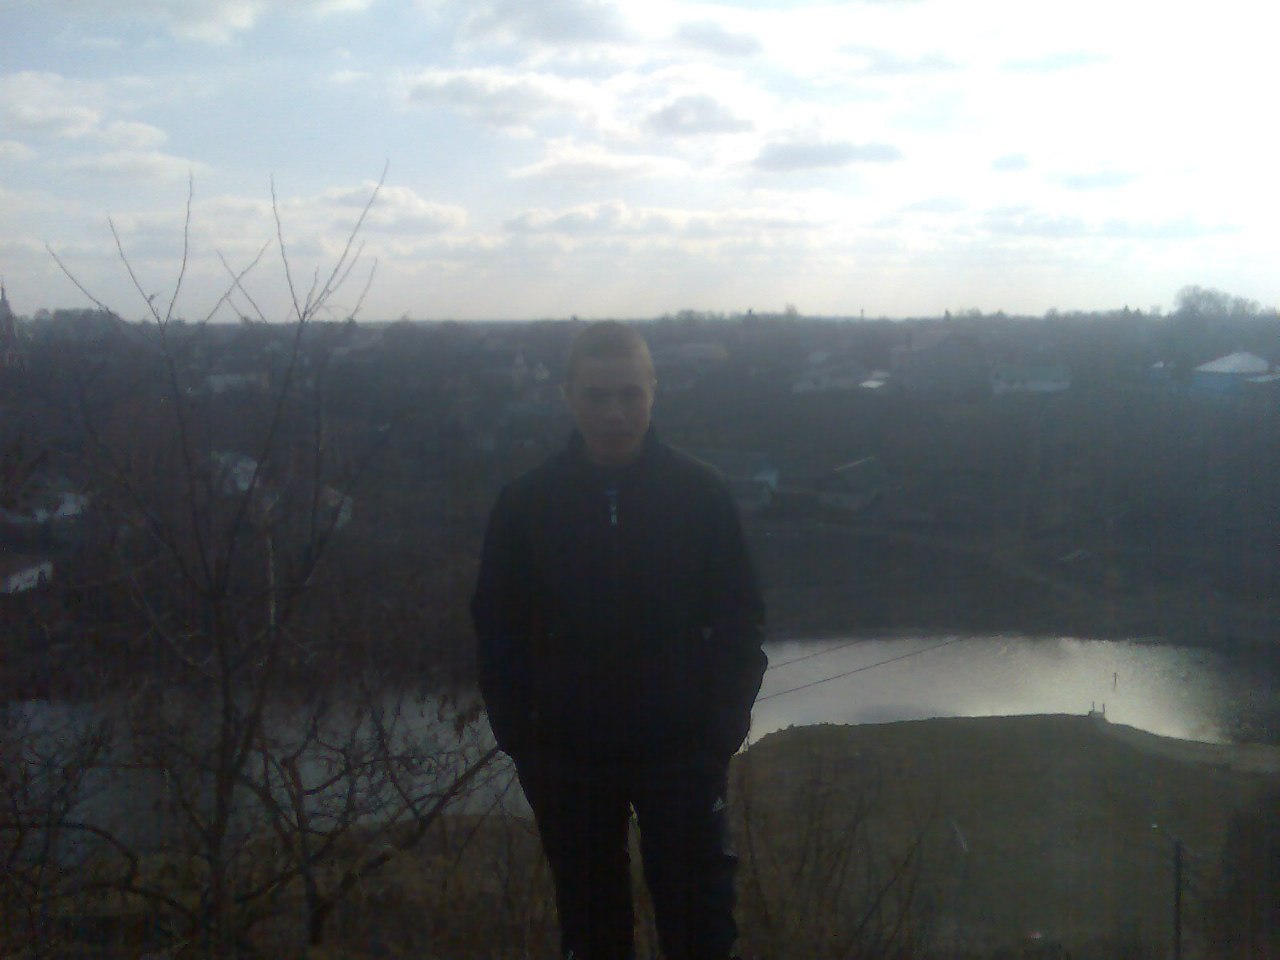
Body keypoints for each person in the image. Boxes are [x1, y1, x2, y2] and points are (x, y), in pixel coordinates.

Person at [472, 321, 768, 960]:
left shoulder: (700, 494)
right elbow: (497, 634)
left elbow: (741, 625)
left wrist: (717, 738)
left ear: (653, 391)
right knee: (592, 931)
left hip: (681, 756)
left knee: (701, 930)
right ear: (568, 396)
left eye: (630, 394)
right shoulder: (526, 504)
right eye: (597, 395)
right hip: (568, 761)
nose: (614, 412)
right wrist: (526, 743)